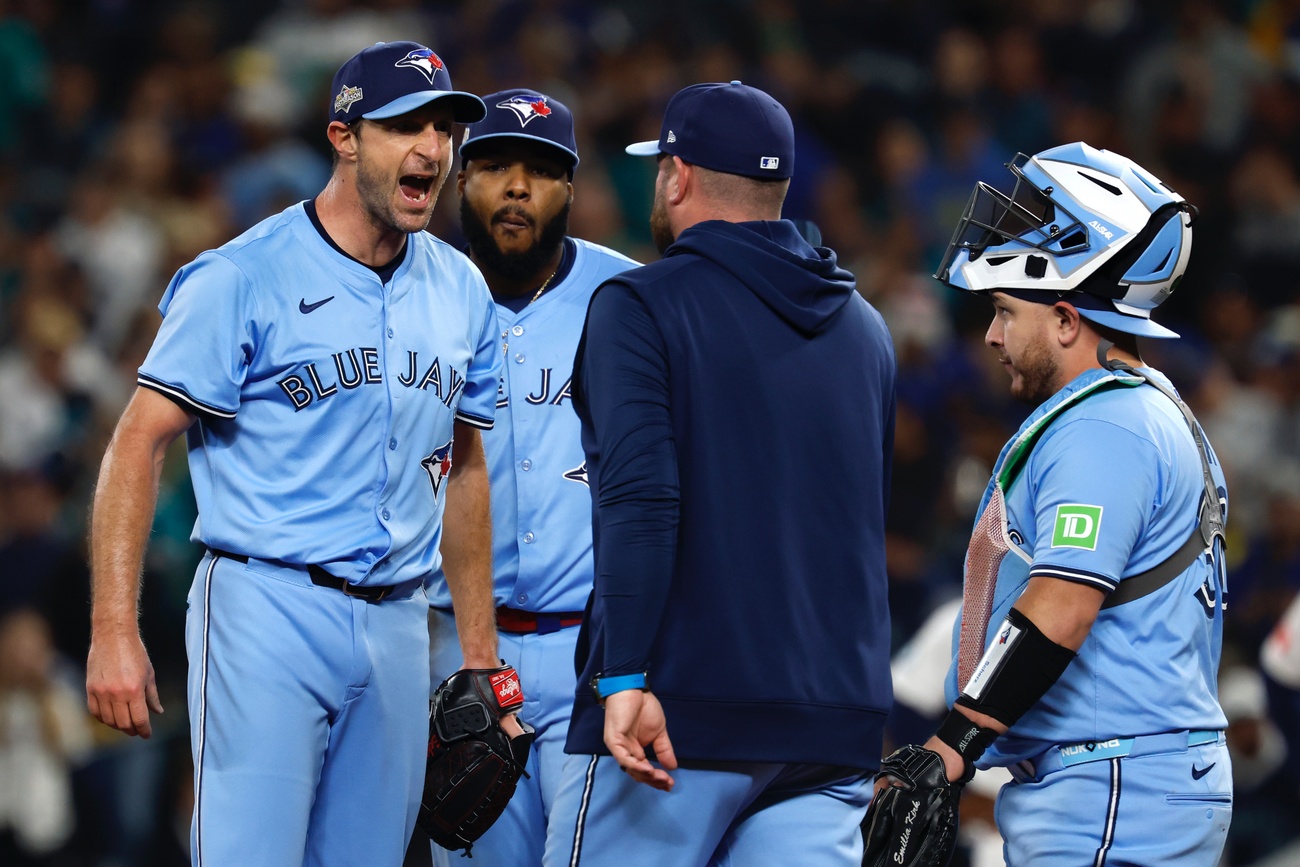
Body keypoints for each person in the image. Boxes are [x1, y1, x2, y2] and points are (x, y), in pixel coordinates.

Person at [84, 41, 512, 866]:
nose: (432, 147)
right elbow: (136, 441)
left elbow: (465, 467)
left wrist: (480, 655)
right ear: (343, 138)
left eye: (444, 127)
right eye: (402, 126)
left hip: (398, 623)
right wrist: (113, 628)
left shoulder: (461, 288)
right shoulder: (244, 274)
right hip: (265, 606)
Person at [543, 81, 898, 867]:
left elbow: (640, 499)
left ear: (677, 175)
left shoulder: (639, 304)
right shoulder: (866, 329)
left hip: (678, 711)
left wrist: (624, 673)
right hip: (829, 723)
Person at [880, 142, 1231, 865]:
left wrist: (952, 747)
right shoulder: (1132, 407)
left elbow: (1061, 607)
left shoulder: (1105, 424)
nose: (992, 334)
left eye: (1008, 311)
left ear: (1068, 320)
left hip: (1113, 779)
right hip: (1120, 773)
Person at [426, 88, 638, 865]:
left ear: (572, 190)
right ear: (459, 179)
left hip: (598, 652)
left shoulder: (629, 300)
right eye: (495, 165)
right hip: (458, 647)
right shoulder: (414, 297)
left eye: (542, 170)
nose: (518, 186)